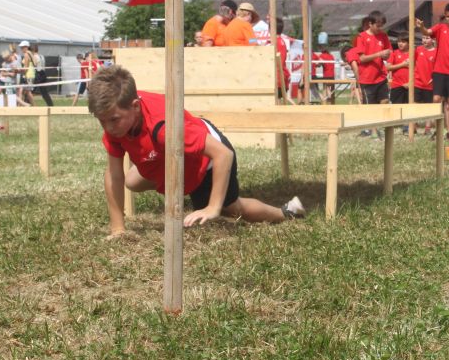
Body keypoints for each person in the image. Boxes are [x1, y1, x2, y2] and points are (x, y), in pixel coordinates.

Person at [88, 65, 305, 237]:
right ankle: (181, 182)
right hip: (171, 154)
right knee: (132, 181)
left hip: (206, 157)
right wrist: (118, 229)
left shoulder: (163, 127)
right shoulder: (117, 119)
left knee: (232, 208)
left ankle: (286, 212)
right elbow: (114, 175)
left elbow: (223, 155)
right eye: (101, 121)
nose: (108, 127)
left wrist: (213, 207)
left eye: (113, 120)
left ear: (135, 106)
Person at [417, 3, 449, 139]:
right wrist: (421, 27)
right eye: (448, 16)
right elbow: (427, 32)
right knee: (436, 99)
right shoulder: (441, 27)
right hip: (439, 70)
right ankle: (438, 128)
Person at [356, 10, 391, 105]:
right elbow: (362, 58)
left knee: (385, 102)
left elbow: (388, 54)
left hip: (381, 77)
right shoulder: (361, 37)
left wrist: (387, 55)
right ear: (370, 24)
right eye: (378, 26)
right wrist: (379, 54)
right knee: (370, 108)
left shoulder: (383, 36)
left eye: (382, 26)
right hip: (367, 79)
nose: (380, 28)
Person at [386, 37, 411, 105]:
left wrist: (411, 82)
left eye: (403, 42)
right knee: (396, 108)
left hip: (411, 86)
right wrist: (403, 64)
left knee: (410, 109)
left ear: (409, 43)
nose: (400, 44)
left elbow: (417, 69)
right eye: (399, 41)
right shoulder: (394, 53)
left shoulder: (413, 53)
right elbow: (388, 67)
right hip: (397, 86)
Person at [17, 40, 36, 106]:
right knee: (25, 91)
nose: (21, 49)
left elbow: (26, 68)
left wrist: (18, 70)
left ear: (26, 47)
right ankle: (24, 105)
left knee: (27, 92)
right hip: (31, 74)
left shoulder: (26, 54)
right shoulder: (30, 53)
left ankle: (34, 106)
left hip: (28, 75)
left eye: (22, 47)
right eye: (21, 47)